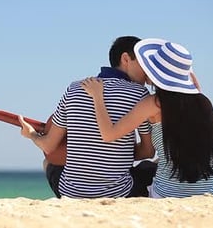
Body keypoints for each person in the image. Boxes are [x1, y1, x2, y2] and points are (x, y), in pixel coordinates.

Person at [82, 38, 213, 199]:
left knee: (144, 170)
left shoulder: (153, 103)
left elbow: (109, 134)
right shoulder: (204, 103)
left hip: (167, 194)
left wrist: (98, 96)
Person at [19, 36, 156, 198]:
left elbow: (48, 146)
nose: (148, 70)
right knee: (151, 166)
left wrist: (32, 134)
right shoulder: (139, 94)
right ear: (126, 59)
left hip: (68, 193)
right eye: (144, 63)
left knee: (47, 162)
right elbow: (148, 151)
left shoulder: (74, 88)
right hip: (119, 194)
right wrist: (117, 151)